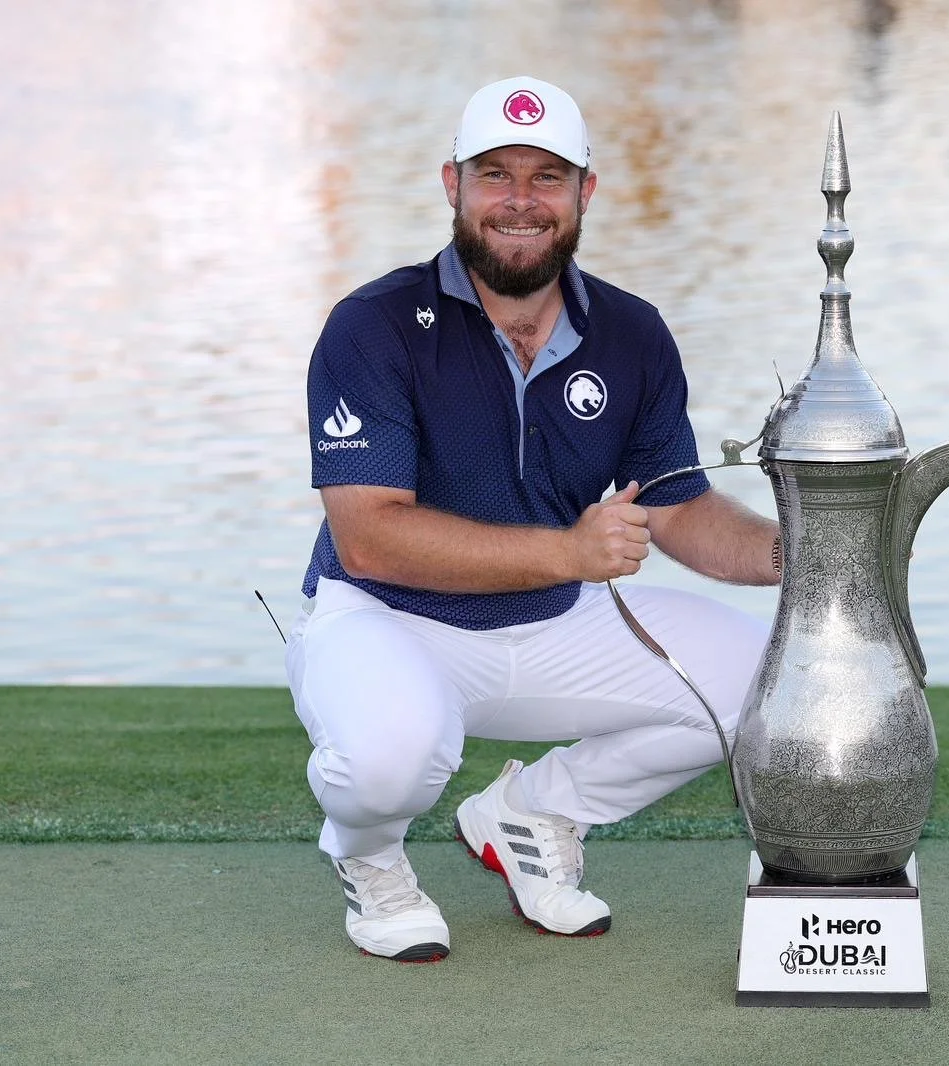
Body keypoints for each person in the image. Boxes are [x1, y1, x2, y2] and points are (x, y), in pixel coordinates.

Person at [285, 76, 779, 963]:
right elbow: (370, 534)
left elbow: (679, 507)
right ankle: (369, 857)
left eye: (548, 177)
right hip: (385, 618)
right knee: (394, 752)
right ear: (453, 187)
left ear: (586, 192)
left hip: (553, 620)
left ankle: (532, 812)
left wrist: (799, 555)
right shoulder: (375, 325)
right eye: (495, 176)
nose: (521, 202)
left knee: (770, 689)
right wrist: (570, 550)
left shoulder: (632, 332)